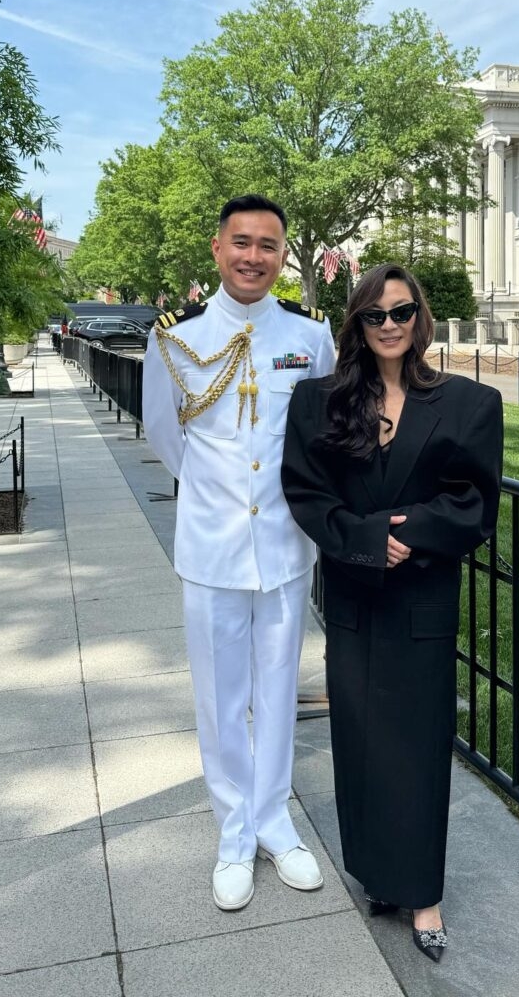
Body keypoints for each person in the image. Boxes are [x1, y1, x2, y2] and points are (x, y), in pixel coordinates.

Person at [280, 263, 503, 961]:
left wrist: (414, 532)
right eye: (374, 316)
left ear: (420, 319)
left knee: (416, 747)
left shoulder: (469, 403)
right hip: (354, 591)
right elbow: (307, 493)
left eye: (400, 313)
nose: (388, 327)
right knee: (361, 743)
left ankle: (423, 894)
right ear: (356, 323)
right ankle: (378, 875)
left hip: (422, 596)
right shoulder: (318, 402)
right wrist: (369, 542)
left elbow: (475, 501)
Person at [142, 195, 336, 911]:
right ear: (218, 249)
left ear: (285, 256)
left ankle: (275, 823)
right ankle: (233, 833)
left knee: (277, 689)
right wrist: (216, 498)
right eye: (242, 242)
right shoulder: (177, 340)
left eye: (269, 245)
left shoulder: (310, 337)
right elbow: (167, 438)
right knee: (221, 698)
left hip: (285, 542)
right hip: (213, 546)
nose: (255, 256)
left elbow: (321, 433)